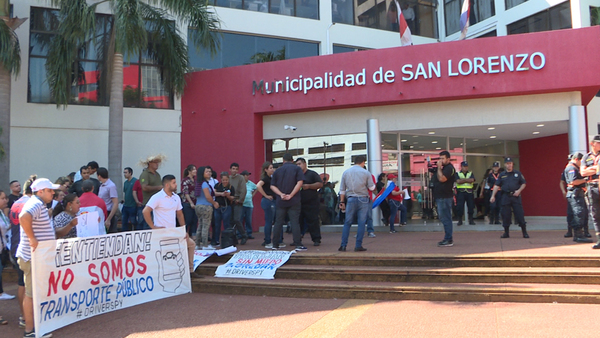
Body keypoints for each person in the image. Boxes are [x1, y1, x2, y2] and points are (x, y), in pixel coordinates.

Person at [17, 178, 60, 338]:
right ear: (40, 191)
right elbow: (23, 217)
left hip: (35, 257)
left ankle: (33, 326)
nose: (53, 193)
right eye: (50, 190)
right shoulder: (35, 203)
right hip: (32, 257)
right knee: (31, 293)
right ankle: (30, 330)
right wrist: (32, 239)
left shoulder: (37, 203)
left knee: (34, 292)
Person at [143, 175, 200, 279]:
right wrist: (153, 227)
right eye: (174, 183)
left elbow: (180, 214)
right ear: (167, 185)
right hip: (161, 232)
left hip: (173, 231)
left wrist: (184, 230)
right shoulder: (157, 197)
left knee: (191, 244)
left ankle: (190, 271)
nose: (176, 184)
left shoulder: (176, 197)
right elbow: (145, 211)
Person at [8, 175, 35, 330]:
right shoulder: (33, 204)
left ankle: (24, 316)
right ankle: (29, 320)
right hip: (28, 247)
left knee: (21, 282)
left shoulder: (15, 203)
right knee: (29, 285)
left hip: (16, 245)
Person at [337, 156, 375, 252]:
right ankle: (358, 245)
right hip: (363, 199)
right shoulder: (366, 173)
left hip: (350, 199)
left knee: (347, 222)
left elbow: (342, 190)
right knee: (361, 223)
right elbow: (371, 188)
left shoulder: (346, 172)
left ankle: (343, 245)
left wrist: (342, 201)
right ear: (363, 162)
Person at [271, 153, 306, 250]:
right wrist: (291, 195)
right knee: (295, 222)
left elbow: (272, 185)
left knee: (278, 222)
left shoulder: (278, 171)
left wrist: (281, 194)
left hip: (280, 201)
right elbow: (300, 182)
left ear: (283, 161)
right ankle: (298, 244)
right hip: (294, 200)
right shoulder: (297, 169)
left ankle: (275, 244)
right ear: (292, 160)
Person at [490, 157, 528, 239]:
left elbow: (523, 183)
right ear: (505, 165)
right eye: (507, 163)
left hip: (515, 196)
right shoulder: (502, 175)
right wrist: (493, 196)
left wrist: (519, 191)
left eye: (510, 163)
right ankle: (506, 232)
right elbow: (496, 185)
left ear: (512, 164)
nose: (509, 165)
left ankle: (524, 232)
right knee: (505, 215)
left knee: (519, 214)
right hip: (505, 196)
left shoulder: (517, 173)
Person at [564, 152, 593, 243]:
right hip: (575, 195)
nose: (582, 164)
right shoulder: (571, 168)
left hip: (578, 194)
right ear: (577, 159)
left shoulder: (573, 167)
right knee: (578, 214)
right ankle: (578, 235)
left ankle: (579, 235)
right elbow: (573, 181)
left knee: (581, 214)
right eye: (581, 161)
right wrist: (585, 180)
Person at [296, 158, 323, 246]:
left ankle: (316, 239)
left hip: (311, 202)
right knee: (297, 221)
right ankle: (297, 239)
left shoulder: (312, 174)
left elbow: (320, 184)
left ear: (304, 164)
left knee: (313, 221)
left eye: (300, 164)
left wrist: (309, 186)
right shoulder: (296, 175)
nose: (298, 166)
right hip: (298, 202)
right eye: (297, 164)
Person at [433, 151, 456, 247]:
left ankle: (448, 239)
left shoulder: (449, 168)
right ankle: (447, 238)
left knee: (446, 218)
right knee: (444, 218)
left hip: (445, 197)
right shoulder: (444, 168)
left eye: (443, 158)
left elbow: (442, 179)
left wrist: (439, 168)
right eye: (440, 158)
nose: (441, 160)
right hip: (440, 197)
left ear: (448, 159)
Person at [581, 135, 600, 249]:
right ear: (592, 143)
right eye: (598, 142)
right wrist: (597, 168)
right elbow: (583, 172)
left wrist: (591, 169)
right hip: (591, 187)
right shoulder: (586, 157)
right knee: (595, 214)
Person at [195, 167, 220, 249]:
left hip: (198, 205)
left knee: (200, 225)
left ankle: (197, 244)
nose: (209, 173)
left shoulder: (198, 183)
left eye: (210, 172)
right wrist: (214, 203)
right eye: (207, 172)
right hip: (206, 206)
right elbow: (208, 197)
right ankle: (205, 244)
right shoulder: (205, 184)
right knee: (206, 226)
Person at [139, 154, 164, 229]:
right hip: (149, 203)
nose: (157, 164)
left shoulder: (157, 175)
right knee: (148, 224)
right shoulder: (145, 174)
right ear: (150, 164)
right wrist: (158, 187)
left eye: (157, 163)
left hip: (158, 204)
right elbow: (144, 187)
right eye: (155, 162)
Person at [0, 190, 15, 301]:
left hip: (3, 247)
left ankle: (1, 292)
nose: (6, 200)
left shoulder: (2, 212)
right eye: (3, 198)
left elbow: (5, 227)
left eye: (6, 198)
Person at [256, 162, 276, 246]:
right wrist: (266, 195)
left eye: (272, 168)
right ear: (266, 170)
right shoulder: (266, 179)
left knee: (271, 220)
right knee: (269, 221)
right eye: (270, 168)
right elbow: (258, 185)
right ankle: (267, 240)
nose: (272, 169)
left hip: (270, 201)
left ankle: (269, 239)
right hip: (268, 201)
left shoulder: (271, 178)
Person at [213, 172, 234, 248]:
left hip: (227, 207)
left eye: (226, 180)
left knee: (226, 224)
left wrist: (228, 196)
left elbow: (233, 198)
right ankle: (216, 240)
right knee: (217, 224)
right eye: (223, 180)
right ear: (221, 179)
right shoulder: (217, 185)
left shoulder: (231, 187)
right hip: (218, 207)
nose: (225, 181)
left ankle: (226, 240)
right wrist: (221, 194)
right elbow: (214, 193)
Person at [228, 163, 248, 243]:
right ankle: (233, 237)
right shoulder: (228, 178)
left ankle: (243, 235)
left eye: (236, 169)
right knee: (230, 220)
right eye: (233, 169)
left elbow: (243, 190)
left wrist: (240, 200)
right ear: (230, 169)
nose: (234, 170)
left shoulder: (241, 178)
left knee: (237, 219)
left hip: (237, 201)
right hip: (229, 201)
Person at [97, 167, 119, 233]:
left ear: (99, 176)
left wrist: (109, 219)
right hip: (102, 212)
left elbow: (115, 203)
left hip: (108, 212)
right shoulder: (102, 185)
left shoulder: (111, 186)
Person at [455, 161, 476, 226]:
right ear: (461, 167)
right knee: (460, 207)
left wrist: (463, 180)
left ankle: (471, 220)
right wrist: (467, 180)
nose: (465, 168)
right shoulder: (457, 173)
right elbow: (458, 181)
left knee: (471, 206)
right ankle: (460, 220)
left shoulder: (470, 173)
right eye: (464, 166)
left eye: (466, 166)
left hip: (469, 192)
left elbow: (472, 180)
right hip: (461, 192)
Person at [181, 165, 198, 237]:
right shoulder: (185, 180)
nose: (195, 171)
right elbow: (186, 192)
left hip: (195, 203)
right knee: (187, 220)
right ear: (189, 171)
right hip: (187, 204)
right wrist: (191, 203)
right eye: (193, 169)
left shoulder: (195, 180)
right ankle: (184, 236)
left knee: (194, 221)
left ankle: (193, 237)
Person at [241, 170, 257, 239]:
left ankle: (249, 233)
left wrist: (252, 195)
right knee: (240, 220)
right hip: (241, 204)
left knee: (248, 220)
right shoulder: (240, 183)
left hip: (249, 204)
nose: (248, 176)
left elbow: (257, 188)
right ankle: (240, 233)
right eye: (247, 175)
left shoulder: (251, 183)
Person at [121, 167, 138, 232]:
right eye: (124, 173)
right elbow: (125, 192)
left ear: (130, 173)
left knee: (133, 221)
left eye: (126, 172)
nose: (124, 174)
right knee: (124, 221)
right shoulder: (125, 183)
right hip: (126, 205)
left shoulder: (135, 181)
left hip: (133, 205)